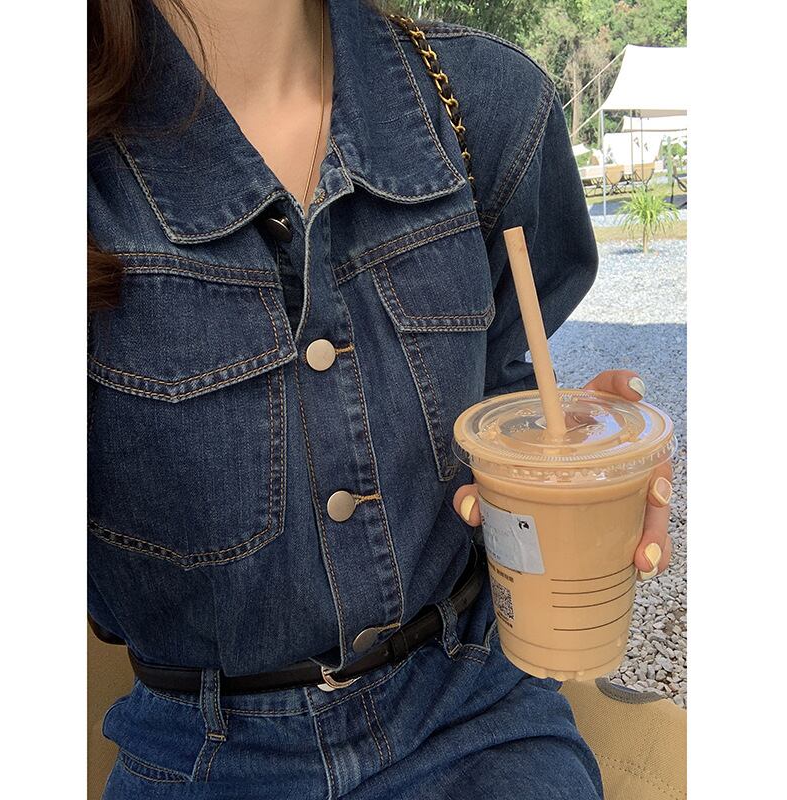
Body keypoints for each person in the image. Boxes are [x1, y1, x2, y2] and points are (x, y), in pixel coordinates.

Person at [87, 1, 674, 797]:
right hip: (200, 755)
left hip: (475, 713)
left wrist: (566, 451)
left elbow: (505, 406)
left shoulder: (486, 108)